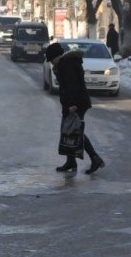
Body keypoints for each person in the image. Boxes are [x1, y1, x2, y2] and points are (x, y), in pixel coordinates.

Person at [45, 43, 105, 174]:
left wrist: (72, 105)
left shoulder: (67, 65)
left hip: (76, 104)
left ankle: (95, 159)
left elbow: (72, 86)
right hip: (74, 103)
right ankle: (71, 161)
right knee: (69, 131)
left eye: (51, 59)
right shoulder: (65, 64)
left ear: (57, 56)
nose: (51, 62)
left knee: (75, 131)